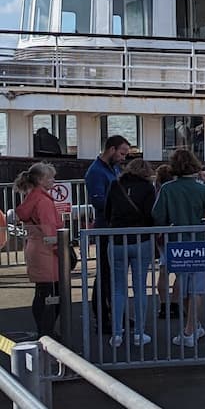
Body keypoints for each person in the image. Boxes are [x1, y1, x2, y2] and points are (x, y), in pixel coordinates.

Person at [152, 148, 205, 347]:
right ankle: (191, 329)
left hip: (176, 243)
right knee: (198, 287)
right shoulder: (202, 188)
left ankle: (192, 326)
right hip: (198, 241)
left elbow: (157, 215)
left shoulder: (167, 189)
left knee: (184, 284)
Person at [104, 158, 156, 348]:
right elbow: (152, 214)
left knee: (118, 288)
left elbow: (107, 213)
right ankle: (139, 334)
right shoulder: (148, 188)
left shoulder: (115, 184)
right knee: (140, 287)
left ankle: (117, 334)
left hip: (117, 240)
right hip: (141, 240)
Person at [84, 134, 131, 333]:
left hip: (113, 227)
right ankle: (103, 318)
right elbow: (98, 202)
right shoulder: (96, 172)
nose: (124, 158)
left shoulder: (113, 168)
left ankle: (114, 316)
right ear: (111, 149)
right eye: (122, 153)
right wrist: (123, 207)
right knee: (105, 273)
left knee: (109, 273)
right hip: (106, 228)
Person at [14, 162, 62, 337]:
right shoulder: (43, 201)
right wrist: (61, 250)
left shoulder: (31, 198)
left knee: (42, 292)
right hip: (47, 251)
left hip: (35, 247)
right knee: (53, 295)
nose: (54, 181)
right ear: (41, 180)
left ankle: (44, 330)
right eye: (51, 177)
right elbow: (49, 229)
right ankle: (47, 332)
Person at [153, 163, 180, 321]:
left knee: (163, 269)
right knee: (180, 272)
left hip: (160, 234)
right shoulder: (174, 191)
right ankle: (175, 305)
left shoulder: (156, 191)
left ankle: (163, 306)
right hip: (175, 232)